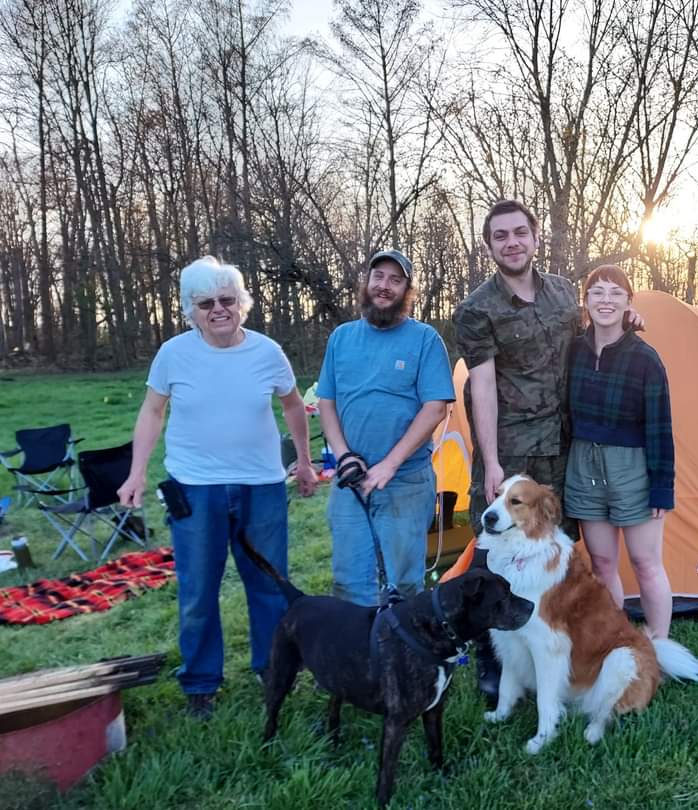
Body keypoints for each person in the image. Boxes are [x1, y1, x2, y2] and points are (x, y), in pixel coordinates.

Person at [453, 199, 643, 703]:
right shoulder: (476, 310)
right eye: (500, 236)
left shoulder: (563, 293)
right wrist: (491, 461)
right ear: (489, 246)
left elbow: (593, 340)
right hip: (511, 451)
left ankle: (563, 645)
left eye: (520, 232)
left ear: (535, 238)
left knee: (561, 551)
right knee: (492, 556)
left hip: (565, 446)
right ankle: (493, 661)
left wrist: (626, 317)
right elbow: (482, 386)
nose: (511, 242)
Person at [118, 256, 318, 719]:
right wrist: (136, 471)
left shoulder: (268, 352)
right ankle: (201, 684)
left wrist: (305, 462)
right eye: (206, 303)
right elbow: (152, 411)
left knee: (269, 585)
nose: (218, 310)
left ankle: (273, 669)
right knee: (198, 591)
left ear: (241, 302)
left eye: (226, 299)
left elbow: (293, 405)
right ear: (191, 309)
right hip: (195, 489)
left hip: (262, 486)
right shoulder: (173, 354)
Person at [317, 249, 455, 607]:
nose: (384, 286)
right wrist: (343, 456)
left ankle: (401, 643)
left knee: (403, 585)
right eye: (378, 276)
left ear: (407, 290)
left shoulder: (425, 340)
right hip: (350, 481)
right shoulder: (341, 338)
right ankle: (359, 643)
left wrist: (390, 464)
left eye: (396, 280)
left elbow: (435, 409)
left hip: (405, 482)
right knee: (349, 584)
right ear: (366, 282)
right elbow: (326, 402)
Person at [564, 265, 675, 638]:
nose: (606, 300)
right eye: (597, 292)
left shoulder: (645, 359)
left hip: (632, 467)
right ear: (586, 301)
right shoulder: (573, 351)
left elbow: (660, 427)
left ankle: (658, 647)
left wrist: (662, 487)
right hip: (584, 465)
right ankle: (615, 643)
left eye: (615, 293)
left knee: (645, 562)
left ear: (629, 302)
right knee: (602, 563)